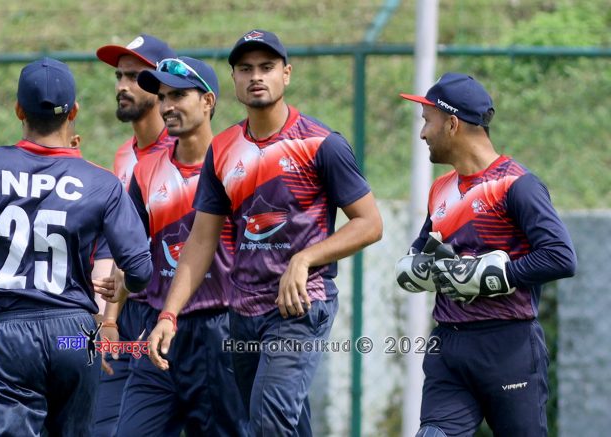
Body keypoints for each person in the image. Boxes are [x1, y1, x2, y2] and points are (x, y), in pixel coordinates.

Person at [147, 30, 383, 436]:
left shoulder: (321, 143)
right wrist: (169, 314)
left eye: (267, 67)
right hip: (242, 313)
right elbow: (201, 241)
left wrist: (305, 259)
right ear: (234, 79)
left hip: (300, 306)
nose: (256, 76)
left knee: (268, 421)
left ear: (286, 74)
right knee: (279, 422)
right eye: (245, 69)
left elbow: (370, 223)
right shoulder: (222, 149)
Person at [0, 57, 152, 436]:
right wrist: (124, 285)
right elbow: (139, 269)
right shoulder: (101, 182)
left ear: (18, 109)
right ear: (74, 112)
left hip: (9, 334)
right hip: (75, 334)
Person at [397, 73, 576, 437]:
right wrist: (422, 267)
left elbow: (560, 256)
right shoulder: (440, 189)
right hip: (448, 344)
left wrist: (492, 276)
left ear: (452, 124)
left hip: (508, 346)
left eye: (427, 121)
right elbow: (421, 251)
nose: (423, 134)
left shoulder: (517, 185)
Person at [103, 56, 246, 435]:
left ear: (208, 101)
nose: (167, 106)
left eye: (179, 95)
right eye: (163, 97)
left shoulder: (237, 166)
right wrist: (110, 319)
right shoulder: (146, 171)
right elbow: (129, 251)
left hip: (220, 332)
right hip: (158, 332)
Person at [92, 33, 177, 436]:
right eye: (119, 76)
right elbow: (122, 242)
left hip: (173, 319)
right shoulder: (124, 155)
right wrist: (109, 319)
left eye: (135, 77)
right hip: (128, 317)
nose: (123, 86)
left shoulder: (185, 153)